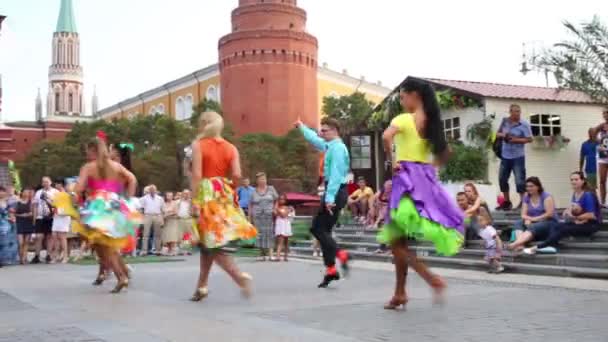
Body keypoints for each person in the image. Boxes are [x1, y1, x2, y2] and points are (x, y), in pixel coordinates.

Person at [379, 79, 464, 309]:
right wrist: (432, 168)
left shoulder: (404, 119)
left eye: (403, 96)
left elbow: (386, 137)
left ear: (414, 94)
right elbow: (447, 152)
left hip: (405, 179)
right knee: (399, 241)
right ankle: (400, 293)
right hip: (424, 180)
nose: (402, 100)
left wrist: (392, 160)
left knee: (396, 242)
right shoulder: (434, 124)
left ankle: (431, 278)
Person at [189, 111, 256, 302]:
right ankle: (201, 286)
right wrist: (230, 189)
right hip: (223, 192)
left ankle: (239, 277)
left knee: (212, 243)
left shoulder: (198, 145)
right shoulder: (231, 148)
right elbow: (237, 174)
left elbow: (196, 175)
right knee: (207, 243)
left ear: (204, 125)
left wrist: (194, 200)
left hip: (206, 193)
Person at [73, 132, 142, 293]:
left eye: (88, 151)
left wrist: (74, 193)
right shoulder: (116, 165)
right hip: (114, 203)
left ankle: (121, 276)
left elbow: (79, 188)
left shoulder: (88, 167)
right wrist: (128, 199)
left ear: (93, 150)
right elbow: (132, 179)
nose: (86, 154)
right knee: (107, 244)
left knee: (104, 245)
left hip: (97, 206)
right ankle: (121, 274)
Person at [295, 117, 351, 288]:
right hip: (334, 192)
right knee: (324, 231)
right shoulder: (330, 146)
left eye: (324, 130)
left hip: (335, 192)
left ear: (335, 130)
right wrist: (302, 127)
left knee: (317, 228)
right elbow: (316, 140)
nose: (321, 133)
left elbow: (335, 175)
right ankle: (331, 270)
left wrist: (329, 199)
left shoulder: (338, 149)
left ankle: (341, 254)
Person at [524, 172, 601, 255]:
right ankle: (552, 245)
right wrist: (567, 210)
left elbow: (591, 215)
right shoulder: (575, 194)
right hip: (580, 222)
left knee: (563, 229)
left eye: (576, 179)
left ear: (582, 181)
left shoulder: (588, 195)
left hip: (591, 225)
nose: (573, 181)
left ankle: (538, 247)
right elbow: (574, 208)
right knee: (556, 225)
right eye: (572, 180)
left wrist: (575, 218)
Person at [495, 104, 533, 211]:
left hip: (518, 156)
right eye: (515, 111)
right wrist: (505, 136)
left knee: (519, 181)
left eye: (519, 111)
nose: (517, 114)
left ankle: (523, 203)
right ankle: (507, 202)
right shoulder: (505, 121)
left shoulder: (524, 124)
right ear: (510, 112)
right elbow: (497, 134)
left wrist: (516, 140)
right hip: (505, 156)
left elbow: (530, 139)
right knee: (502, 179)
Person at [507, 177, 558, 251]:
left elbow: (549, 214)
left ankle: (514, 244)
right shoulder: (527, 196)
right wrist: (528, 219)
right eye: (527, 186)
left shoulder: (546, 196)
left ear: (538, 186)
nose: (528, 188)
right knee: (518, 223)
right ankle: (521, 244)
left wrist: (532, 219)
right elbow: (523, 214)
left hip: (549, 222)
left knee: (533, 226)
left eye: (531, 186)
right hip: (534, 221)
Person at [249, 172, 278, 261]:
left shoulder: (271, 189)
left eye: (264, 179)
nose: (262, 181)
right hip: (257, 216)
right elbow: (250, 204)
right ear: (257, 181)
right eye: (260, 179)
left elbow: (276, 200)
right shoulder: (253, 191)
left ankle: (271, 254)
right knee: (259, 234)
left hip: (268, 215)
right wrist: (249, 217)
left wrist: (275, 209)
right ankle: (262, 253)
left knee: (269, 233)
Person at [32, 176, 59, 264]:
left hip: (51, 217)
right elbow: (35, 205)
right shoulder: (38, 192)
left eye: (47, 181)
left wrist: (49, 199)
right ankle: (37, 255)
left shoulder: (55, 192)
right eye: (43, 182)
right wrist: (34, 218)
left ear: (50, 182)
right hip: (40, 217)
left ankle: (48, 255)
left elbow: (58, 204)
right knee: (39, 236)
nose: (45, 183)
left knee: (49, 236)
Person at [140, 185, 164, 256]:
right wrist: (142, 217)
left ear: (156, 190)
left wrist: (161, 218)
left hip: (157, 215)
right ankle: (144, 251)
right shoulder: (144, 198)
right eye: (151, 190)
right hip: (148, 215)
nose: (153, 191)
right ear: (149, 191)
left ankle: (158, 250)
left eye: (154, 190)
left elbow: (162, 209)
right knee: (146, 234)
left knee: (158, 234)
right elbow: (141, 208)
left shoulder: (160, 198)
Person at [50, 181, 71, 263]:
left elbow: (68, 206)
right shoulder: (55, 194)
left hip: (64, 216)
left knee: (62, 237)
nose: (56, 185)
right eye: (55, 184)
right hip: (56, 216)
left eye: (57, 184)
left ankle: (65, 256)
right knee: (54, 235)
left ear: (61, 185)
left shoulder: (67, 194)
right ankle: (56, 256)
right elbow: (53, 205)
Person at [15, 189, 34, 264]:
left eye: (28, 192)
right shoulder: (17, 202)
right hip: (19, 222)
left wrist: (30, 214)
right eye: (25, 192)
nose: (26, 193)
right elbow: (13, 213)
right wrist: (21, 215)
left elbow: (34, 213)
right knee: (20, 242)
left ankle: (24, 258)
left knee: (26, 242)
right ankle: (20, 257)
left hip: (28, 223)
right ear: (21, 193)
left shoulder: (31, 202)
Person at [274, 194, 294, 262]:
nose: (281, 200)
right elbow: (275, 214)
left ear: (285, 200)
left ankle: (286, 256)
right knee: (280, 241)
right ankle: (278, 256)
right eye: (280, 199)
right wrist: (276, 208)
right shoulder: (277, 208)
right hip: (280, 225)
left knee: (286, 241)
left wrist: (278, 210)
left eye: (283, 199)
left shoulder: (288, 207)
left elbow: (284, 215)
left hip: (286, 224)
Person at [0, 186, 17, 267]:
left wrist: (12, 217)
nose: (2, 193)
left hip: (6, 225)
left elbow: (10, 212)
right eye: (0, 191)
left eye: (3, 191)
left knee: (5, 243)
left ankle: (2, 260)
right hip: (2, 222)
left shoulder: (7, 202)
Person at [594, 110, 608, 206]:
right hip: (602, 157)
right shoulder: (601, 127)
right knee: (602, 180)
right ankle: (602, 202)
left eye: (606, 114)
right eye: (604, 114)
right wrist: (598, 144)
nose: (605, 116)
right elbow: (593, 133)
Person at [176, 189, 193, 255]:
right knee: (180, 235)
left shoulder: (191, 202)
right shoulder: (178, 202)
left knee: (188, 235)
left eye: (188, 194)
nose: (186, 195)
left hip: (188, 219)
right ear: (182, 194)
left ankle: (187, 249)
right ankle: (181, 250)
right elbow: (176, 210)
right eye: (185, 193)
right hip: (180, 219)